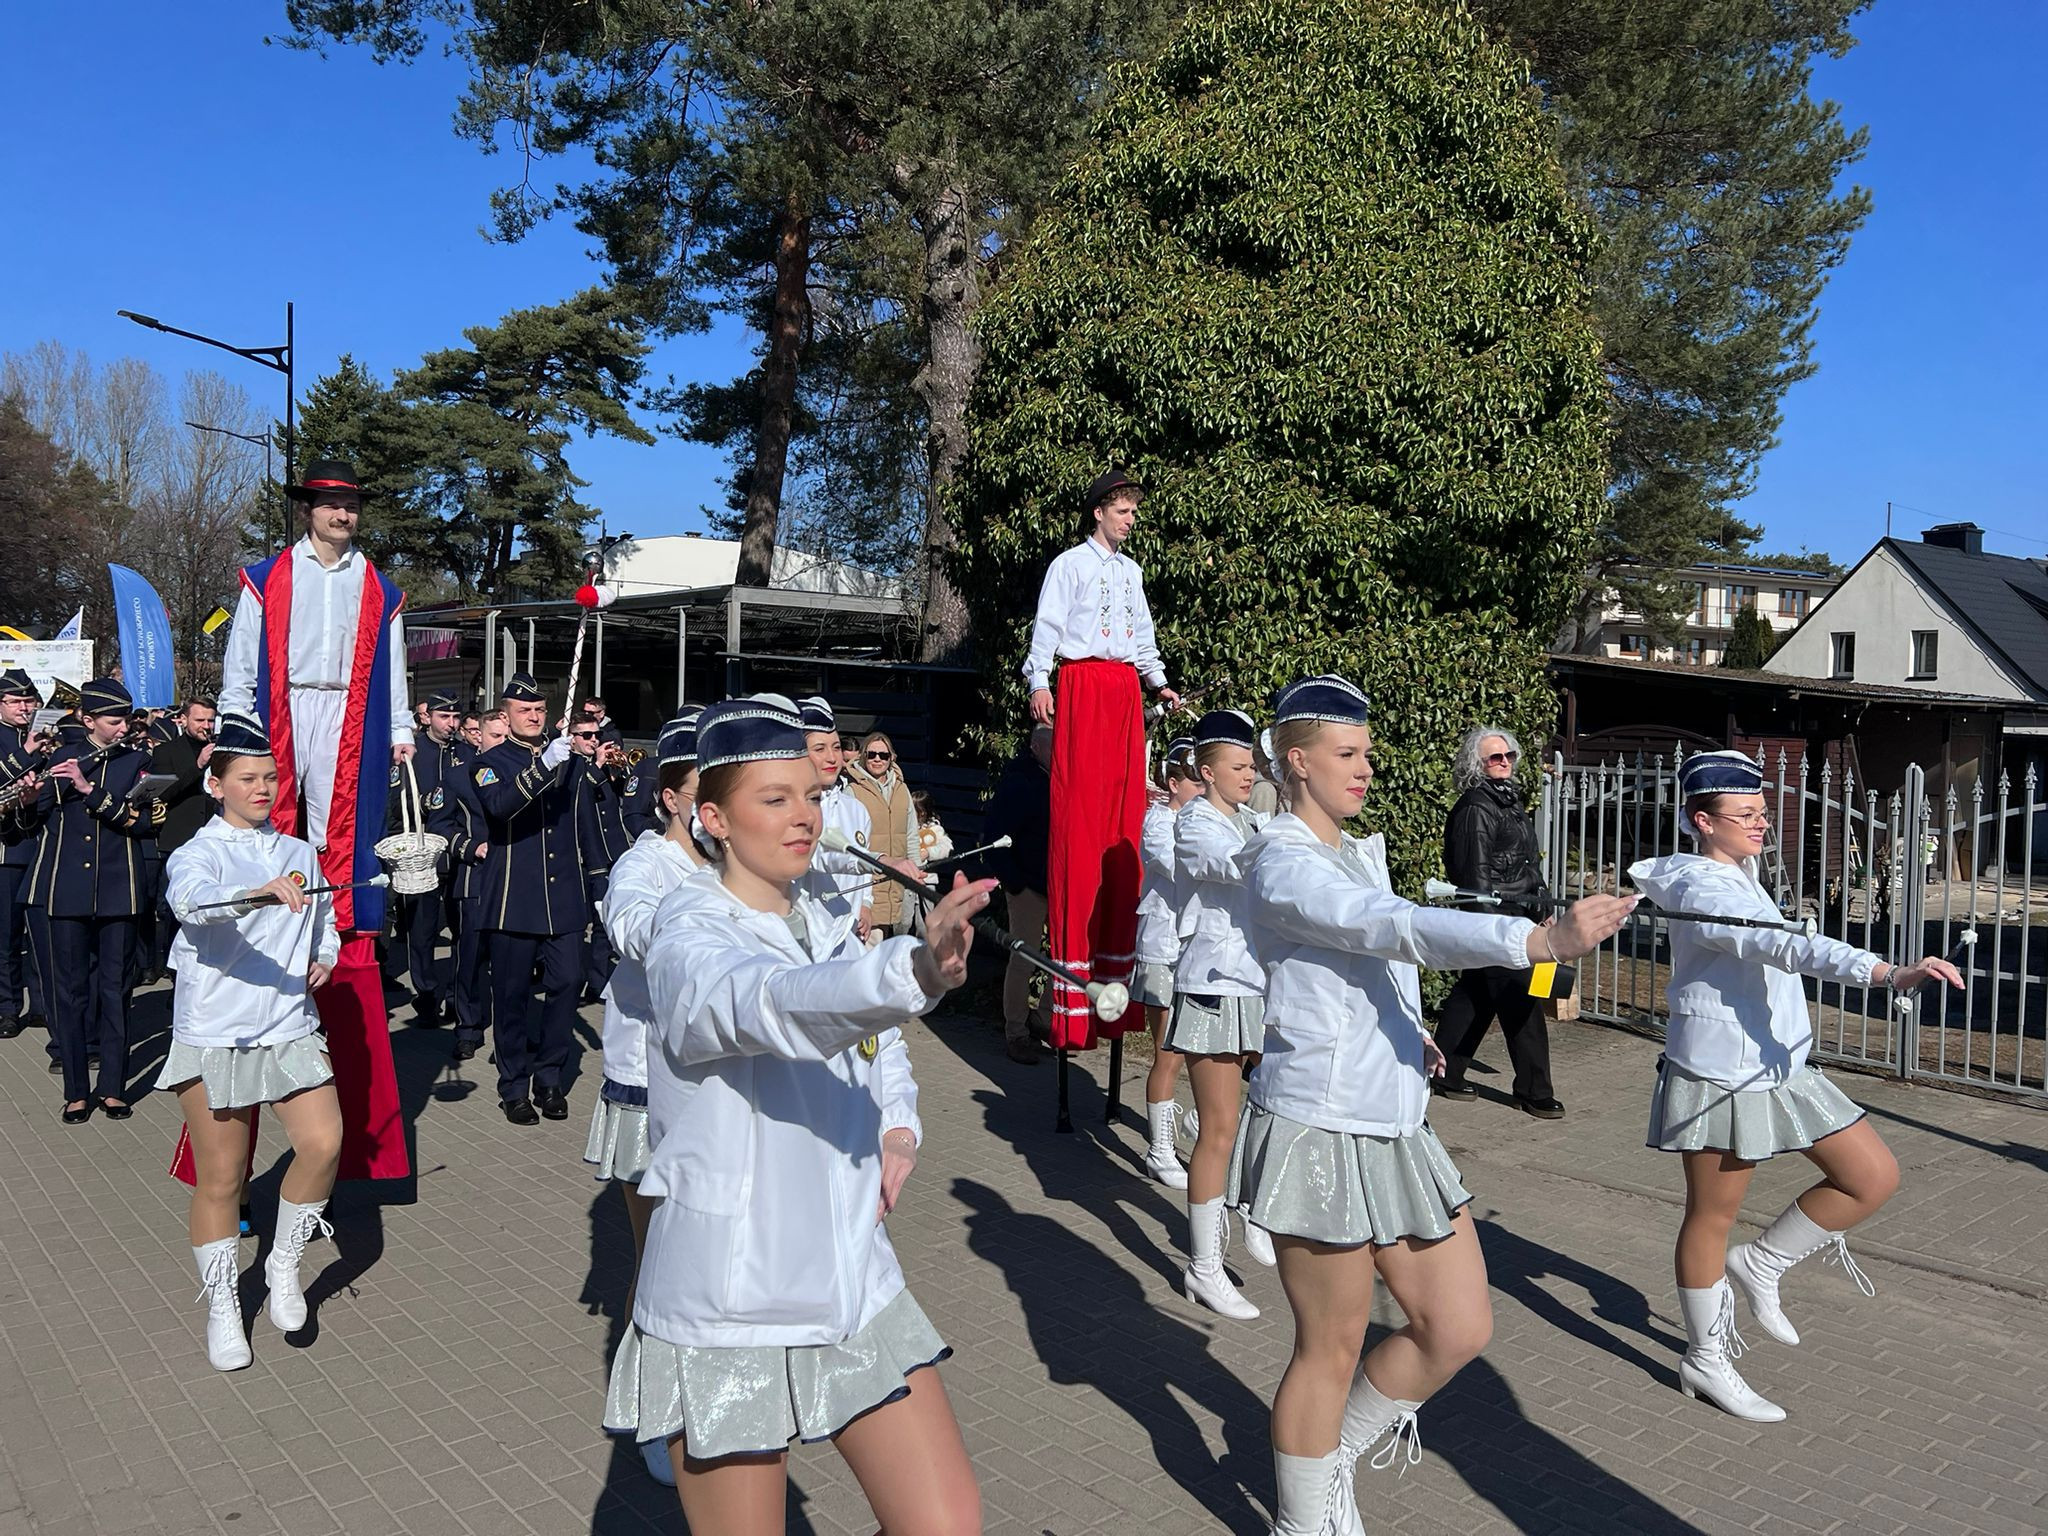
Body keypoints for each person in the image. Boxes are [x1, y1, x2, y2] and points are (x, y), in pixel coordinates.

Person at [1229, 675, 1634, 1534]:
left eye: (1368, 753)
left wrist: (1407, 1029)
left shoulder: (1351, 849)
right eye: (1348, 754)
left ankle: (1333, 1453)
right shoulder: (1281, 862)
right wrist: (1536, 940)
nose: (1366, 768)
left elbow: (1368, 961)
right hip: (1320, 1125)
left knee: (1457, 1325)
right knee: (1330, 1348)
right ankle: (1302, 1519)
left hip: (1396, 1123)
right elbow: (1388, 927)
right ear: (1295, 763)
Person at [604, 693, 990, 1531]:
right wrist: (911, 972)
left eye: (810, 796)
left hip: (853, 1270)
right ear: (712, 817)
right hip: (732, 1298)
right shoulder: (688, 929)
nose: (804, 816)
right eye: (773, 800)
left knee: (946, 1523)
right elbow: (771, 1005)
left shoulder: (818, 914)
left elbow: (872, 1036)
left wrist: (898, 1124)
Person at [1629, 750, 1961, 1424]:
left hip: (1780, 1063)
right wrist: (1885, 972)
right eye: (1745, 815)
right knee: (1710, 1218)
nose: (1761, 824)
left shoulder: (1738, 871)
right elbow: (1786, 947)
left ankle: (1764, 1263)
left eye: (1761, 812)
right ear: (1703, 820)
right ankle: (1705, 1357)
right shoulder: (1704, 891)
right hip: (1721, 1073)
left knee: (1871, 1176)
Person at [216, 457, 411, 1182]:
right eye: (330, 503)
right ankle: (277, 894)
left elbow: (392, 669)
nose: (342, 514)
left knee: (341, 824)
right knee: (281, 818)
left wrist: (402, 731)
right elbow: (241, 663)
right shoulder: (268, 577)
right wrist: (240, 725)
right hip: (285, 705)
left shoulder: (378, 586)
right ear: (309, 509)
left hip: (349, 709)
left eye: (351, 504)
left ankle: (336, 911)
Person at [159, 713, 343, 1371]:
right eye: (247, 778)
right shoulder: (197, 854)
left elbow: (323, 919)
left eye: (269, 777)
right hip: (217, 1032)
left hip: (289, 1026)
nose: (262, 788)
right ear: (217, 784)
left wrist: (324, 953)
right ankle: (222, 1306)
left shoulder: (298, 851)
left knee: (324, 1144)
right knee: (223, 1178)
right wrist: (255, 894)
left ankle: (283, 1266)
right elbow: (195, 907)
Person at [586, 708, 704, 1487]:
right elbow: (626, 924)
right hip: (646, 1086)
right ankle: (646, 1409)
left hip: (716, 1089)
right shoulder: (646, 865)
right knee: (660, 1257)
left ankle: (696, 1392)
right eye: (707, 788)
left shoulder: (735, 867)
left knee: (700, 1256)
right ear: (671, 797)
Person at [1024, 468, 1181, 1050]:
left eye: (1134, 510)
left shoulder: (1130, 572)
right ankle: (1068, 998)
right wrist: (1040, 680)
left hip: (1121, 690)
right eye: (1123, 510)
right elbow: (1048, 627)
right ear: (1099, 512)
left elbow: (1142, 638)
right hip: (1083, 685)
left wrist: (1158, 683)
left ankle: (1114, 988)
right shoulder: (1070, 564)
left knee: (1123, 818)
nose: (1131, 518)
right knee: (1081, 822)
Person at [1168, 709, 1274, 1319]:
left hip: (1255, 987)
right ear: (1206, 772)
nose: (1248, 774)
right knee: (1219, 1129)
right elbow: (1238, 867)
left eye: (1251, 765)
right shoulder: (1196, 824)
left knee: (1264, 1111)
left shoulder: (1253, 817)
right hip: (1213, 984)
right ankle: (1203, 1268)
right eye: (1238, 767)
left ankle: (1247, 1210)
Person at [24, 677, 154, 1121]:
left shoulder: (138, 762)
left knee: (115, 991)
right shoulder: (61, 757)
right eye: (114, 720)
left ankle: (113, 1087)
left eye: (124, 719)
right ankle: (77, 1090)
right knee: (70, 993)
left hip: (121, 890)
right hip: (67, 893)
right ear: (88, 719)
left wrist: (88, 790)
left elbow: (142, 823)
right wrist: (26, 801)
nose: (123, 727)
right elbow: (29, 825)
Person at [471, 672, 590, 1124]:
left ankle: (551, 1078)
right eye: (525, 711)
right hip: (513, 901)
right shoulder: (490, 761)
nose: (534, 716)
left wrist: (599, 885)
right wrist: (544, 767)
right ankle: (515, 1086)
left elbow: (584, 824)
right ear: (507, 715)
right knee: (513, 997)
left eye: (540, 710)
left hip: (564, 902)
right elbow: (500, 806)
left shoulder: (566, 759)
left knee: (565, 987)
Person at [1434, 726, 1562, 1116]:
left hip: (1521, 912)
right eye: (1495, 757)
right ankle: (1533, 1090)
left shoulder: (1508, 801)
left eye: (1509, 756)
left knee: (1474, 995)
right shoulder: (1476, 807)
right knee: (1521, 1001)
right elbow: (1475, 877)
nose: (1504, 762)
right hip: (1498, 920)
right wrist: (1488, 930)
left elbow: (1525, 862)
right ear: (1478, 764)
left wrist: (1541, 906)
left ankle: (1445, 1072)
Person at [1138, 737, 1202, 1188]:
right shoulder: (1158, 823)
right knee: (1169, 1052)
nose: (1202, 786)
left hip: (1197, 951)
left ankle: (1198, 1121)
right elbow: (1186, 868)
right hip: (1162, 947)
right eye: (1194, 779)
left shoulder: (1206, 822)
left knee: (1214, 1050)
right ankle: (1159, 1150)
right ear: (1173, 783)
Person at [430, 709, 506, 1063]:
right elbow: (440, 826)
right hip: (475, 879)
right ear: (479, 738)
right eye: (495, 737)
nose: (501, 744)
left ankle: (509, 1034)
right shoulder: (459, 778)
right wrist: (471, 846)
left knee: (512, 964)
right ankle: (468, 1028)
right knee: (470, 959)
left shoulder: (526, 778)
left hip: (514, 883)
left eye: (507, 737)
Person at [981, 725, 1053, 1064]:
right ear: (1036, 747)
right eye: (1053, 746)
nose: (1059, 753)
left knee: (1069, 955)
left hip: (1055, 883)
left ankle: (1044, 1018)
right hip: (1027, 884)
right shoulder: (1019, 782)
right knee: (1022, 958)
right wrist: (1014, 883)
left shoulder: (1056, 777)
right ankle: (1016, 1033)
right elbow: (994, 835)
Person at [394, 690, 465, 1026]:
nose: (451, 724)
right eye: (444, 717)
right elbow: (394, 807)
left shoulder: (466, 752)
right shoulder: (410, 754)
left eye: (455, 717)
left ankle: (456, 995)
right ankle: (426, 994)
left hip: (459, 858)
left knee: (463, 932)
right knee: (421, 932)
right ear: (427, 718)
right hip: (421, 860)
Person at [147, 697, 221, 979]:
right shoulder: (166, 752)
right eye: (199, 720)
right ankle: (173, 971)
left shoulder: (221, 749)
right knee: (174, 910)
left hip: (214, 840)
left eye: (210, 720)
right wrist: (198, 765)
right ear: (184, 721)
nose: (206, 726)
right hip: (179, 841)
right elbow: (162, 793)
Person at [0, 669, 53, 1040]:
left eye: (29, 701)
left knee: (39, 933)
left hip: (43, 842)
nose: (24, 707)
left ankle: (40, 1005)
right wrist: (27, 753)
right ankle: (6, 1008)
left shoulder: (48, 737)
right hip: (7, 847)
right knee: (6, 934)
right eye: (17, 701)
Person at [795, 696, 874, 933]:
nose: (832, 758)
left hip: (850, 939)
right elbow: (817, 856)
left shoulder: (856, 809)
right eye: (819, 748)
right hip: (807, 941)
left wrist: (866, 905)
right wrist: (878, 861)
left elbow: (863, 880)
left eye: (837, 747)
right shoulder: (789, 810)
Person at [576, 720, 633, 1001]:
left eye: (597, 735)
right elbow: (578, 796)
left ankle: (597, 984)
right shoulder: (570, 766)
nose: (594, 740)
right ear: (573, 738)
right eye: (586, 735)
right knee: (580, 922)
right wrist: (597, 766)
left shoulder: (606, 767)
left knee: (604, 922)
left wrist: (620, 770)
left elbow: (626, 797)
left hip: (615, 852)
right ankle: (573, 980)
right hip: (587, 855)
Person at [846, 731, 920, 939]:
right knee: (871, 948)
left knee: (895, 948)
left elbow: (911, 834)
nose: (877, 759)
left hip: (898, 885)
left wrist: (917, 871)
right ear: (863, 756)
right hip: (868, 885)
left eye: (883, 755)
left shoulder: (902, 790)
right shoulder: (852, 792)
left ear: (891, 758)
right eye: (872, 754)